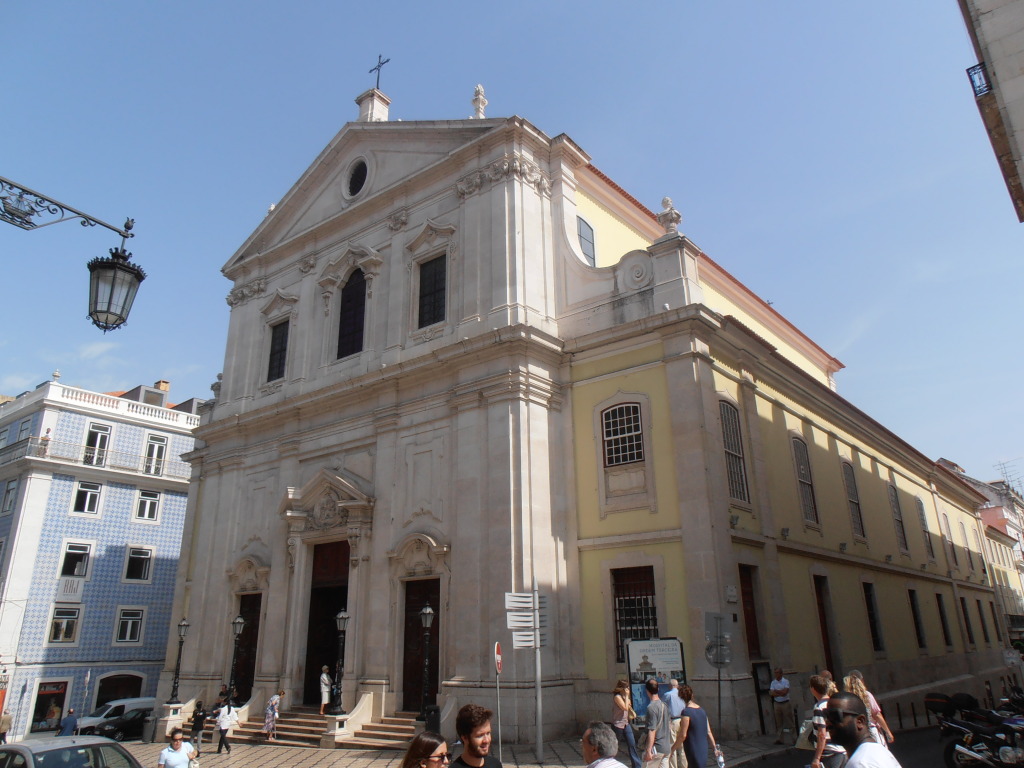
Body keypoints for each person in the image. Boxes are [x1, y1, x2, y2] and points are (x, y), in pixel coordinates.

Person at [825, 692, 903, 767]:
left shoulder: (860, 763)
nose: (827, 723)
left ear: (860, 721)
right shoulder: (879, 752)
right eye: (826, 715)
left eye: (834, 716)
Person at [671, 685, 719, 768]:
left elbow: (683, 735)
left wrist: (672, 749)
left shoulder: (686, 712)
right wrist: (715, 748)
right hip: (703, 747)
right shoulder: (702, 710)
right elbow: (708, 732)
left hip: (692, 747)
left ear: (681, 697)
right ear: (692, 695)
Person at [844, 673, 894, 747]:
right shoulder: (866, 695)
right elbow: (877, 715)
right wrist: (888, 732)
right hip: (871, 730)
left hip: (856, 733)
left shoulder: (847, 699)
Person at [808, 675, 846, 768]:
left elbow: (822, 734)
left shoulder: (819, 707)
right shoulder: (835, 703)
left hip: (829, 752)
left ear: (813, 689)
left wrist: (817, 758)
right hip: (842, 750)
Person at [453, 703, 501, 768]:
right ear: (465, 738)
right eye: (480, 735)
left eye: (488, 733)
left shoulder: (495, 764)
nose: (486, 740)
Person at [611, 680, 641, 768]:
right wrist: (627, 696)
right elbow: (624, 708)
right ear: (622, 688)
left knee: (632, 744)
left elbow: (629, 706)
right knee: (615, 745)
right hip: (618, 724)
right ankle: (610, 762)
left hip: (626, 723)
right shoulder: (617, 697)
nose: (628, 689)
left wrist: (627, 698)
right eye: (626, 687)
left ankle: (637, 765)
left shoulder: (625, 697)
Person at [642, 679, 671, 768]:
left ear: (647, 691)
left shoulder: (651, 707)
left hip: (656, 749)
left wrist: (648, 750)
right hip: (666, 748)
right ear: (658, 689)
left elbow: (652, 730)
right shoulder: (665, 705)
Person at [663, 680, 686, 768]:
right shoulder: (682, 694)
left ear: (670, 686)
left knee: (672, 747)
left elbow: (662, 707)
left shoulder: (667, 695)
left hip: (673, 721)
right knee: (682, 747)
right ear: (677, 685)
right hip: (683, 720)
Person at [769, 667, 792, 744]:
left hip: (785, 703)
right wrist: (780, 692)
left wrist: (776, 691)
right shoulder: (773, 682)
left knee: (790, 721)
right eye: (775, 673)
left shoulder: (786, 681)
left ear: (781, 673)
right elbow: (772, 693)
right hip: (777, 703)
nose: (776, 674)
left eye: (777, 672)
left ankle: (794, 738)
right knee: (778, 722)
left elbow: (785, 692)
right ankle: (780, 739)